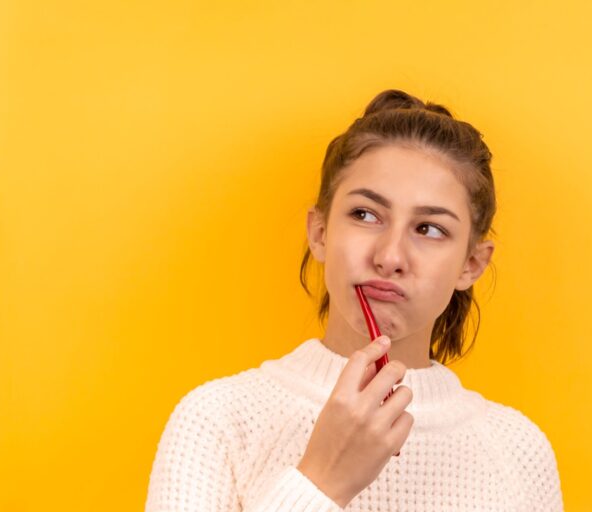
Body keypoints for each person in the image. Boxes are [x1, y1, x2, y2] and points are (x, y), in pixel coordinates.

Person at [145, 89, 564, 511]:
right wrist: (322, 483)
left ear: (471, 264)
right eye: (365, 215)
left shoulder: (518, 452)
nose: (390, 257)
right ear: (320, 233)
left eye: (429, 229)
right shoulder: (217, 421)